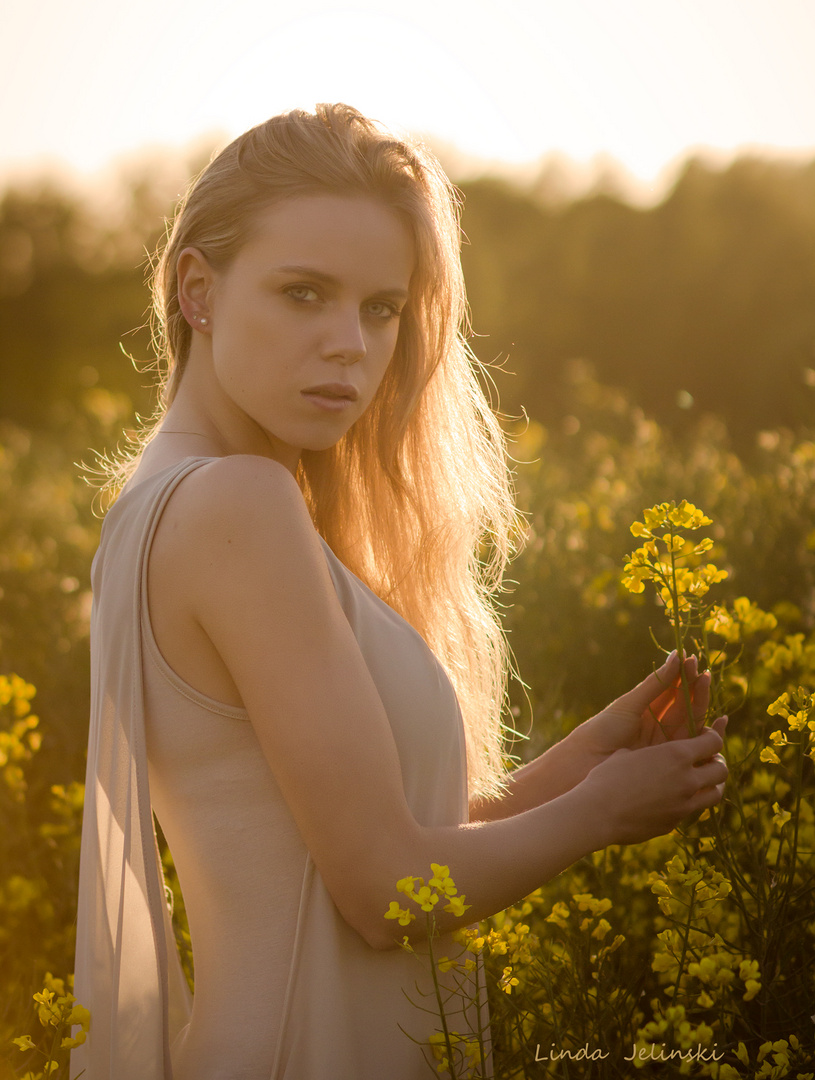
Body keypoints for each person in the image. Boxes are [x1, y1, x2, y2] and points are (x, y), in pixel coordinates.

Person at [72, 103, 728, 1080]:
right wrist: (600, 816)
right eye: (304, 293)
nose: (351, 344)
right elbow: (385, 893)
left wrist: (587, 765)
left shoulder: (167, 503)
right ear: (197, 292)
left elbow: (393, 839)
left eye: (381, 307)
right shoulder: (236, 504)